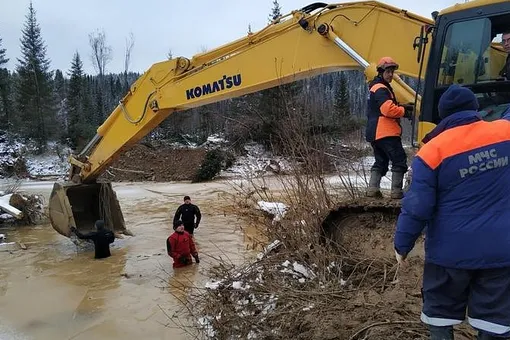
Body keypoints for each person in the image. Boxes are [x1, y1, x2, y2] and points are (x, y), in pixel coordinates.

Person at [394, 84, 510, 340]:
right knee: (495, 320)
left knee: (440, 314)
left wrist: (402, 245)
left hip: (448, 256)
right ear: (475, 109)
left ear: (443, 115)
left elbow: (417, 207)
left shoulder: (432, 151)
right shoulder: (505, 132)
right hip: (502, 250)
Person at [365, 57, 413, 199]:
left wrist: (401, 106)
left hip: (375, 133)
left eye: (392, 72)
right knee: (399, 160)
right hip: (386, 132)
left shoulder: (376, 87)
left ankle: (372, 190)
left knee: (381, 161)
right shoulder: (381, 88)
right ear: (380, 72)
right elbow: (388, 110)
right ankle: (396, 193)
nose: (391, 74)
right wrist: (404, 111)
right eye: (388, 72)